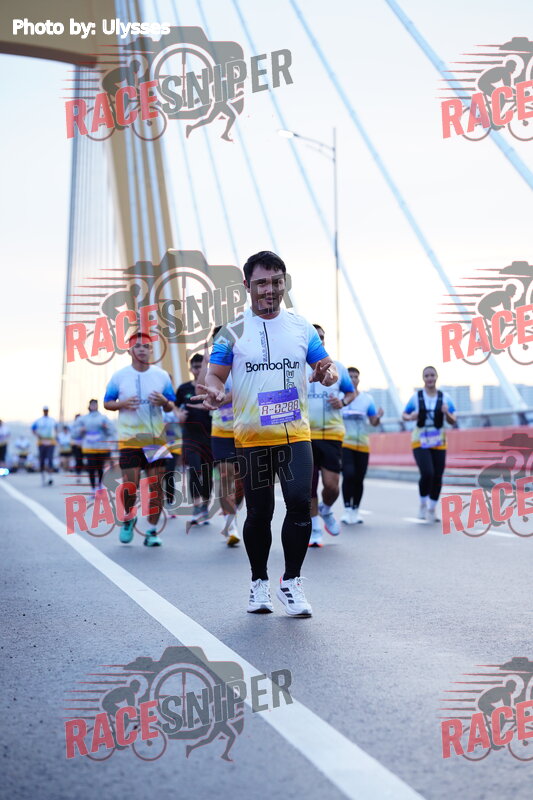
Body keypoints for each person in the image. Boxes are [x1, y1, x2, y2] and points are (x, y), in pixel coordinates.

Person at [197, 251, 338, 617]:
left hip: (296, 434)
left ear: (284, 283)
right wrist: (215, 390)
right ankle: (258, 581)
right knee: (260, 513)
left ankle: (291, 582)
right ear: (247, 286)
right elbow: (215, 375)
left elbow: (325, 366)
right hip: (252, 438)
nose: (269, 290)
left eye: (276, 282)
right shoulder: (231, 331)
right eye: (261, 283)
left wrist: (327, 374)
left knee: (299, 503)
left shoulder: (301, 327)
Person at [103, 330, 175, 547]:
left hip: (156, 440)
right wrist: (122, 404)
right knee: (130, 486)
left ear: (151, 350)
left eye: (146, 346)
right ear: (130, 350)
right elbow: (107, 402)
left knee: (157, 487)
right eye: (137, 346)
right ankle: (128, 517)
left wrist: (164, 402)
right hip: (130, 439)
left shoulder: (161, 375)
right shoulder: (119, 376)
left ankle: (152, 531)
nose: (142, 349)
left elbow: (171, 405)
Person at [306, 325, 355, 547]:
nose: (319, 341)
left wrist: (342, 402)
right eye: (315, 338)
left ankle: (325, 510)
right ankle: (315, 529)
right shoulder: (296, 368)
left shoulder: (338, 368)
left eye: (322, 338)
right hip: (303, 435)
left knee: (332, 486)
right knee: (309, 487)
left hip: (331, 434)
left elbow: (351, 392)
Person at [402, 367, 457, 522]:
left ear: (436, 377)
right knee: (427, 473)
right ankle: (423, 504)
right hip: (420, 440)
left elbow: (453, 419)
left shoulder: (445, 397)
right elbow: (404, 414)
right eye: (427, 376)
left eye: (432, 375)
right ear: (423, 378)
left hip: (439, 440)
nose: (430, 378)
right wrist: (410, 417)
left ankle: (432, 508)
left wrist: (446, 412)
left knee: (438, 475)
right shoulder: (416, 397)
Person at [207, 327, 243, 547]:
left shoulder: (244, 359)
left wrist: (225, 397)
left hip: (245, 429)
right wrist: (207, 359)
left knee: (242, 482)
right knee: (225, 475)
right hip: (221, 430)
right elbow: (201, 388)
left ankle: (232, 513)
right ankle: (231, 524)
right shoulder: (212, 365)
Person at [175, 353, 214, 529]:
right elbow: (175, 408)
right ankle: (197, 507)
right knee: (194, 470)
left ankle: (205, 506)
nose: (198, 370)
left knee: (207, 473)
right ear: (191, 369)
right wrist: (179, 415)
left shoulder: (212, 388)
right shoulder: (183, 389)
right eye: (196, 367)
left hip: (210, 436)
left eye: (201, 366)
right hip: (190, 437)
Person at [341, 367, 384, 525]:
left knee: (359, 478)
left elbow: (373, 422)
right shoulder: (339, 397)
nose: (353, 379)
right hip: (345, 444)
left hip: (363, 445)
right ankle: (347, 510)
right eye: (350, 377)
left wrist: (378, 417)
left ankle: (355, 510)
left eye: (355, 377)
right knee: (349, 475)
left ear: (359, 380)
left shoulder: (367, 399)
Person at [72, 400, 115, 493]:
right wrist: (80, 430)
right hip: (89, 447)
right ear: (89, 406)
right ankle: (93, 488)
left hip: (101, 447)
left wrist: (106, 427)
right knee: (91, 467)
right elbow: (74, 432)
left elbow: (111, 430)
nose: (93, 406)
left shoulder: (103, 418)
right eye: (92, 405)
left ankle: (100, 485)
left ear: (97, 406)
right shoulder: (83, 419)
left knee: (100, 468)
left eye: (95, 404)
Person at [31, 406, 58, 486]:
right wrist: (37, 435)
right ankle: (43, 476)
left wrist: (55, 436)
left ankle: (50, 477)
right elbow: (33, 429)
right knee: (42, 460)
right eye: (45, 410)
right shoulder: (39, 421)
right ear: (43, 411)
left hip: (51, 442)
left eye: (47, 410)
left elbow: (56, 429)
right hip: (42, 442)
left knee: (50, 459)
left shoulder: (52, 420)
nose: (46, 412)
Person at [70, 414, 85, 483]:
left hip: (83, 445)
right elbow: (73, 435)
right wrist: (79, 431)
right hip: (75, 445)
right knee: (78, 459)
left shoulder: (84, 425)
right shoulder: (73, 426)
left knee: (81, 460)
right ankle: (78, 475)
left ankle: (80, 473)